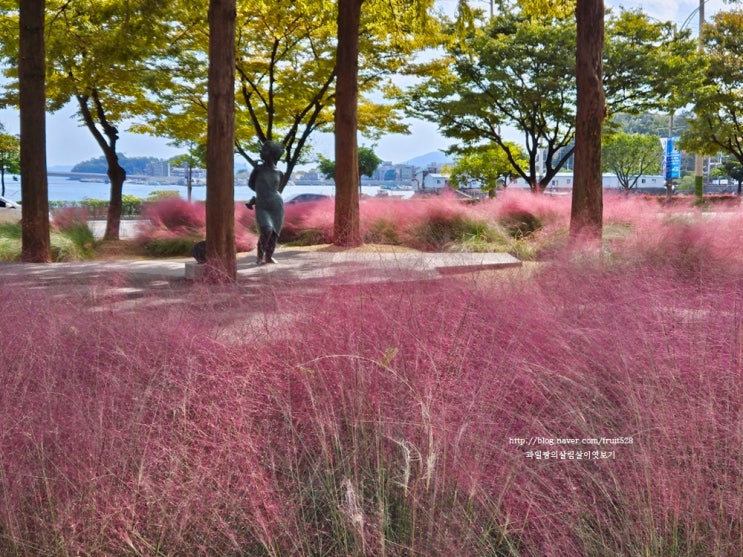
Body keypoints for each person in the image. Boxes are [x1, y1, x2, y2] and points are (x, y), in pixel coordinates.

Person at [247, 141, 285, 264]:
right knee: (267, 230)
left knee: (274, 233)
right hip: (262, 205)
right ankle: (259, 257)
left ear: (273, 153)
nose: (261, 152)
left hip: (276, 205)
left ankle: (269, 256)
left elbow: (276, 188)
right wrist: (259, 196)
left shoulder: (280, 172)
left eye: (265, 150)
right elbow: (251, 185)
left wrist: (267, 194)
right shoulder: (258, 169)